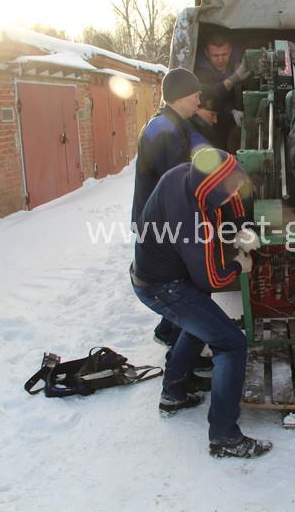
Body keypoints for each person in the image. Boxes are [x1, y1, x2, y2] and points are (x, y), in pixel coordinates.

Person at [130, 147, 270, 459]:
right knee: (230, 343)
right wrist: (240, 265)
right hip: (161, 287)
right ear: (214, 187)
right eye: (231, 188)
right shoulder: (190, 218)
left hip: (164, 273)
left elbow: (230, 200)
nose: (236, 192)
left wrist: (243, 226)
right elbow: (213, 279)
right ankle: (224, 437)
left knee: (201, 323)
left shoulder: (190, 176)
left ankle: (174, 393)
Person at [131, 67, 211, 369]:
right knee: (184, 284)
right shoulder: (165, 130)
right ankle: (181, 357)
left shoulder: (166, 122)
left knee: (175, 281)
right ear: (180, 97)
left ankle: (168, 332)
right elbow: (176, 183)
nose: (198, 102)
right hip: (161, 225)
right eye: (195, 96)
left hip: (152, 218)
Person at [194, 33, 251, 150]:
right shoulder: (200, 70)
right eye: (215, 55)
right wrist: (235, 78)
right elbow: (209, 97)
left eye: (224, 54)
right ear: (206, 53)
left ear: (230, 50)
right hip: (216, 124)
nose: (220, 59)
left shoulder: (241, 60)